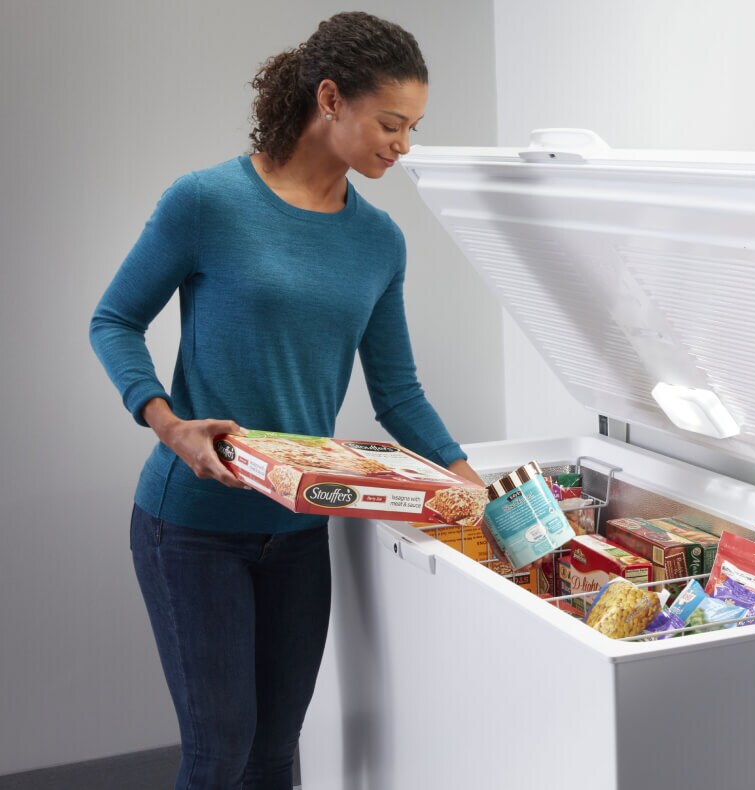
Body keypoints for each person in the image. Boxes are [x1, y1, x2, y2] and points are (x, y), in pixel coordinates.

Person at [89, 12, 480, 789]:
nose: (404, 145)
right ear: (330, 99)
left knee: (274, 758)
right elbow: (114, 320)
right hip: (192, 526)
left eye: (414, 128)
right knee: (219, 754)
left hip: (301, 529)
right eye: (391, 124)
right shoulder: (207, 202)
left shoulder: (380, 242)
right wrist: (168, 425)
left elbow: (397, 392)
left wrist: (470, 481)